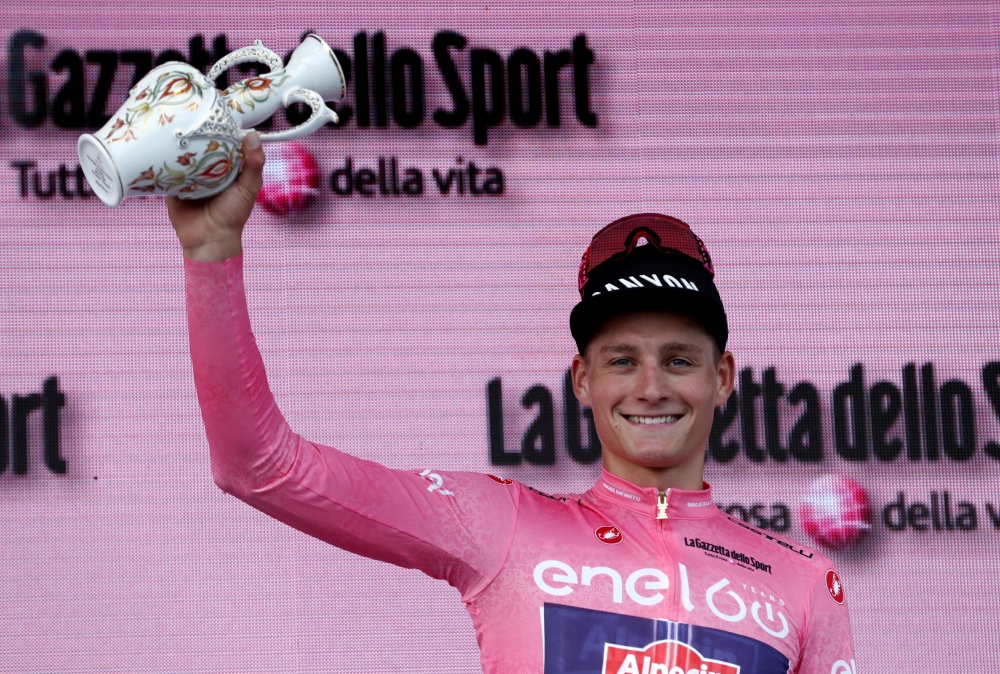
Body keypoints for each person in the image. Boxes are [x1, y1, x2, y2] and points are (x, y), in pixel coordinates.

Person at [169, 132, 857, 674]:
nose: (651, 386)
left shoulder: (801, 580)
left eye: (679, 359)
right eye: (622, 360)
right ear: (583, 380)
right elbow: (258, 466)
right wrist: (213, 252)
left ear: (723, 377)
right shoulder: (501, 526)